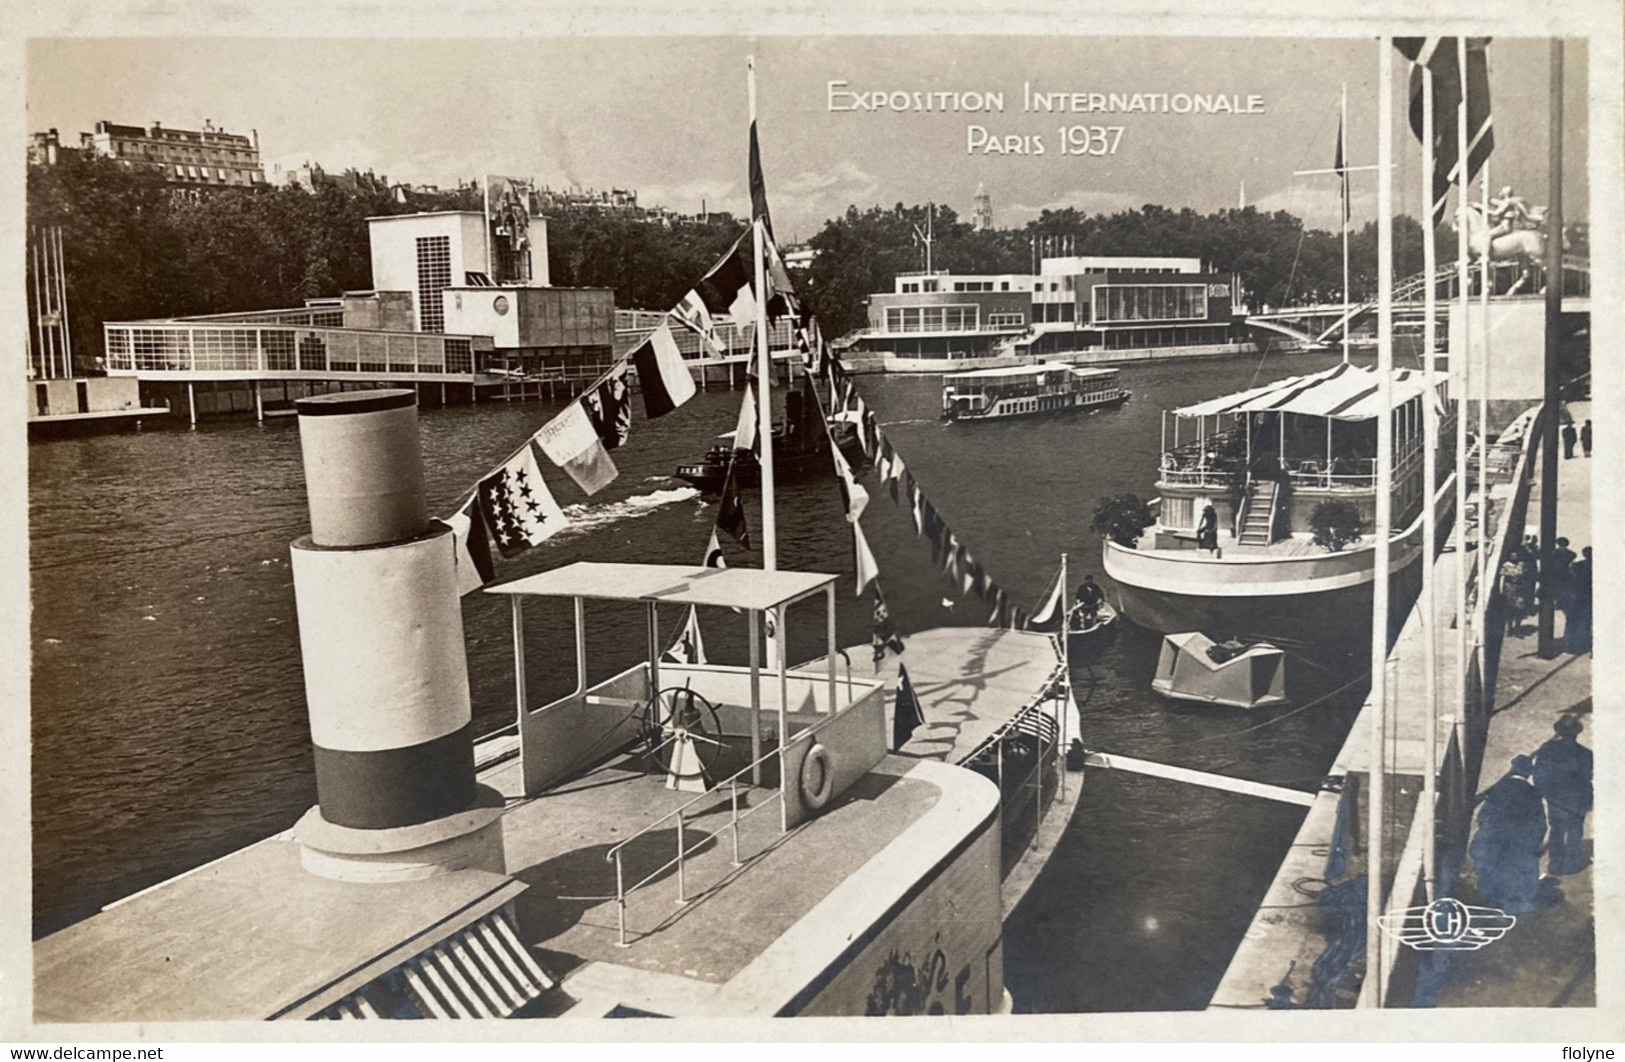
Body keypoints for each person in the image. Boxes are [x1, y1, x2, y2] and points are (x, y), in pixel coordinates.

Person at [1469, 755, 1547, 913]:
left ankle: (1491, 902)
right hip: (1519, 843)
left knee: (1491, 869)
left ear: (1512, 769)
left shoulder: (1498, 788)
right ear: (1528, 774)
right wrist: (1534, 842)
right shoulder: (1533, 793)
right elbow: (1540, 823)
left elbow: (1483, 816)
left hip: (1494, 841)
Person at [1533, 717, 1593, 875]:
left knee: (1556, 831)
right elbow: (1587, 778)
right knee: (1575, 832)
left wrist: (1544, 793)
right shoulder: (1586, 754)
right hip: (1577, 801)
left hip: (1556, 799)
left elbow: (1539, 773)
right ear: (1577, 733)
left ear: (1558, 731)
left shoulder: (1547, 749)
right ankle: (1572, 866)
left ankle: (1556, 865)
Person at [1564, 546, 1592, 654]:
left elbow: (1570, 580)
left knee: (1572, 621)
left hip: (1575, 596)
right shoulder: (1596, 567)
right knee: (1584, 622)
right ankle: (1580, 646)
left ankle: (1569, 645)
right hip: (1586, 596)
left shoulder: (1576, 566)